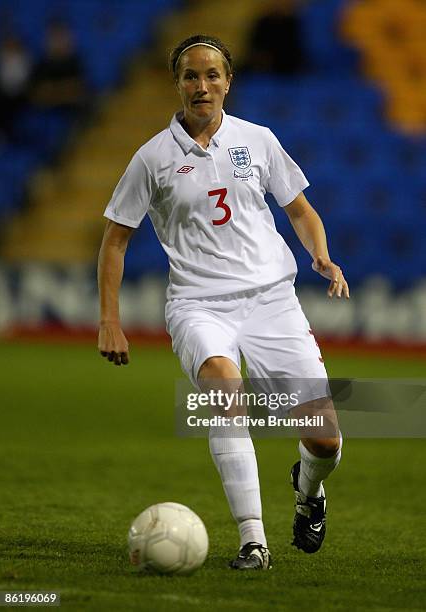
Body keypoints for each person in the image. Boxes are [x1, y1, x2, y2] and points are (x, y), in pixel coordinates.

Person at [97, 34, 349, 571]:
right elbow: (115, 240)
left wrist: (321, 256)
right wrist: (109, 320)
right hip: (198, 304)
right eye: (191, 75)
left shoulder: (256, 140)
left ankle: (308, 491)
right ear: (178, 84)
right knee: (223, 388)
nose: (202, 85)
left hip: (271, 301)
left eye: (212, 75)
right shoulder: (153, 158)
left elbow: (300, 210)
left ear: (228, 82)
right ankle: (253, 541)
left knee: (325, 439)